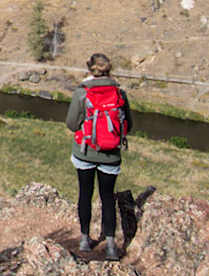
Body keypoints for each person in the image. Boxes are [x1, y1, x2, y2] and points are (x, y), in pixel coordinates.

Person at [65, 52, 133, 261]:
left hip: (85, 152)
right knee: (107, 198)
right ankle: (111, 246)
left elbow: (71, 124)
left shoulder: (82, 93)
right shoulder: (119, 93)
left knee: (85, 195)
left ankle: (85, 240)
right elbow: (128, 125)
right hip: (110, 156)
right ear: (109, 69)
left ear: (89, 68)